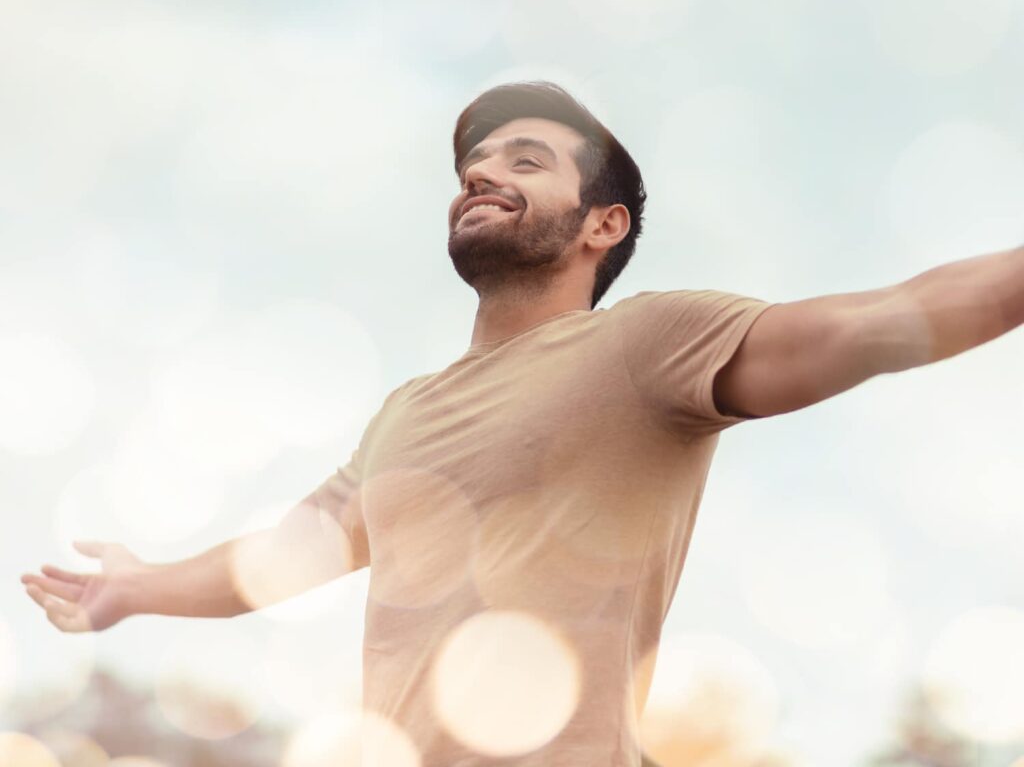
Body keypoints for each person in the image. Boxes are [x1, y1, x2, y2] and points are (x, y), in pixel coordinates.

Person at [21, 81, 1024, 766]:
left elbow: (888, 316)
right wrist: (138, 586)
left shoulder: (650, 346)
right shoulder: (405, 414)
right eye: (475, 160)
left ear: (602, 224)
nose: (480, 172)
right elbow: (275, 562)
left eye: (527, 160)